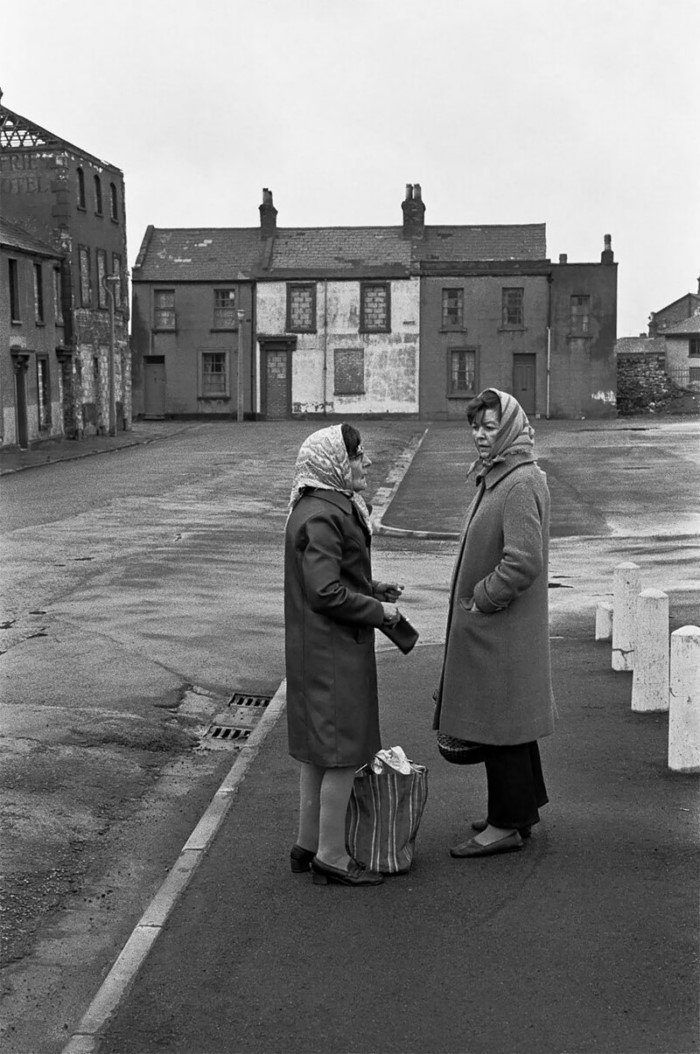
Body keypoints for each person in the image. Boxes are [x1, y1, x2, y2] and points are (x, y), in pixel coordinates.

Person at [434, 388, 556, 858]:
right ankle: (519, 811)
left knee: (501, 723)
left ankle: (505, 825)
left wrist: (482, 601)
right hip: (498, 629)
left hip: (501, 628)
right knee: (510, 722)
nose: (480, 437)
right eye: (475, 427)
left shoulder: (519, 481)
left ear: (507, 429)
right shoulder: (499, 475)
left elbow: (523, 562)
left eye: (489, 427)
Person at [284, 423, 404, 886]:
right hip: (333, 652)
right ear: (336, 462)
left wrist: (371, 586)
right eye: (358, 456)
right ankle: (331, 857)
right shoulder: (324, 515)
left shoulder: (316, 507)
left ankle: (307, 844)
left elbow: (329, 575)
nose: (367, 463)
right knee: (342, 754)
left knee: (318, 753)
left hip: (316, 648)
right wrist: (379, 611)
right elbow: (325, 591)